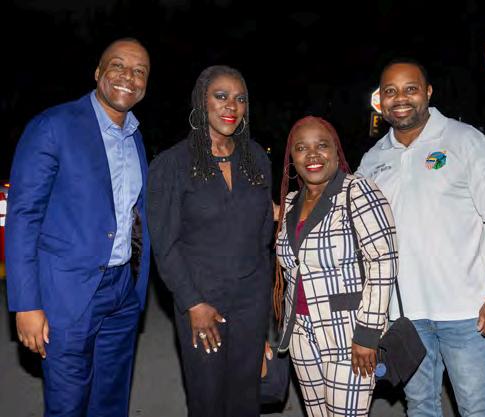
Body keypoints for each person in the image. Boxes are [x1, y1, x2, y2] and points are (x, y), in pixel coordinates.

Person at [357, 58, 485, 416]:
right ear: (380, 101)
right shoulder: (373, 159)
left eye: (410, 89)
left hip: (467, 311)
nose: (400, 98)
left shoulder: (465, 141)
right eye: (390, 91)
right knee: (420, 406)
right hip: (404, 315)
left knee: (476, 406)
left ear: (427, 93)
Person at [6, 38, 151, 417]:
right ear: (98, 72)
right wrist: (26, 303)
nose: (129, 77)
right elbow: (24, 216)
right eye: (118, 66)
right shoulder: (53, 126)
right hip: (67, 294)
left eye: (139, 71)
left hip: (123, 291)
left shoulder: (135, 136)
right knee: (68, 405)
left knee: (110, 402)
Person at [146, 65, 273, 417]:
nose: (231, 105)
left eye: (240, 98)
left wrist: (262, 312)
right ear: (202, 102)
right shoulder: (172, 164)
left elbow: (263, 237)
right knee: (207, 398)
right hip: (202, 302)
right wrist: (192, 303)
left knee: (246, 398)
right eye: (221, 96)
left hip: (252, 302)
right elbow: (165, 243)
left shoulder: (256, 159)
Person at [274, 116, 398, 416]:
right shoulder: (290, 202)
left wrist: (368, 334)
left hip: (350, 332)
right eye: (301, 148)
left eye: (322, 145)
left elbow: (383, 262)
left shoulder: (357, 191)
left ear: (336, 151)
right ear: (292, 157)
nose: (312, 154)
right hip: (301, 333)